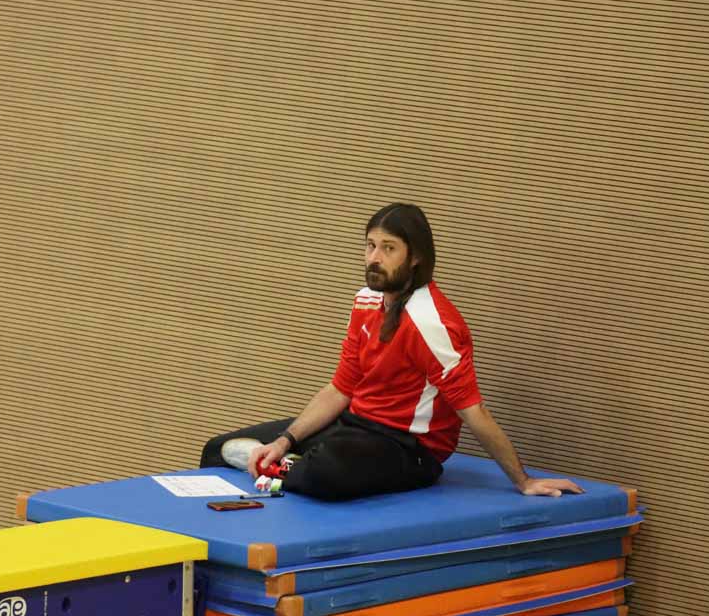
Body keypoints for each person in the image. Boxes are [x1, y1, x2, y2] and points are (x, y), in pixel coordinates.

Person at [199, 202, 583, 501]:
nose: (374, 258)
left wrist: (523, 480)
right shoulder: (366, 301)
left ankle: (287, 470)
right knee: (216, 450)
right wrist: (285, 440)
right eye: (370, 246)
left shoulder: (433, 322)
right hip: (355, 425)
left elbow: (473, 411)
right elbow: (340, 389)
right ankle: (284, 464)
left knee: (325, 473)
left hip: (408, 448)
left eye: (388, 248)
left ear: (414, 257)